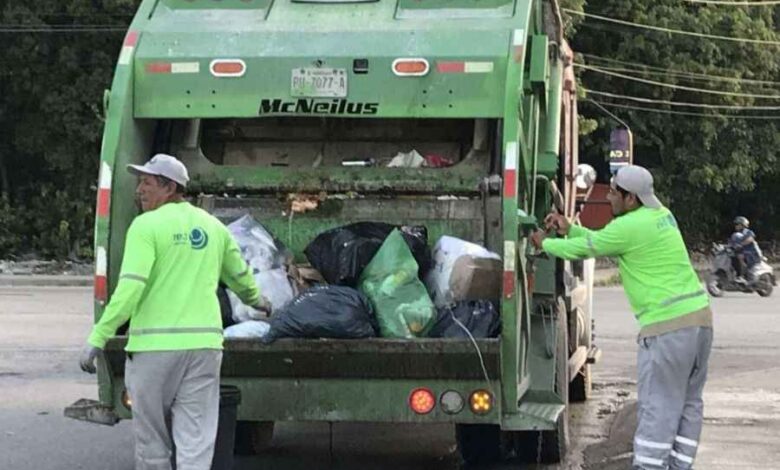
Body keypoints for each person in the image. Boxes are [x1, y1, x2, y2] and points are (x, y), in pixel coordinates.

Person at [78, 153, 270, 470]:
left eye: (147, 183)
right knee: (195, 443)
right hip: (204, 350)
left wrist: (99, 336)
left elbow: (131, 288)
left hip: (154, 351)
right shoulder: (214, 227)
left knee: (152, 442)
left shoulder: (146, 226)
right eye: (140, 182)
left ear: (169, 188)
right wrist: (260, 301)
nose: (139, 190)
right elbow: (239, 277)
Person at [530, 165, 713, 470]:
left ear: (631, 199)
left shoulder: (628, 226)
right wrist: (569, 228)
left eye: (615, 192)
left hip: (667, 328)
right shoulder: (662, 216)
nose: (609, 196)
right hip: (700, 323)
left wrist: (544, 242)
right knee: (689, 404)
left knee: (658, 407)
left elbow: (587, 248)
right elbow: (603, 240)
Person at [729, 216, 761, 283]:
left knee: (740, 257)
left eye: (737, 224)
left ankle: (741, 276)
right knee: (731, 257)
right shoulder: (735, 235)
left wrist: (741, 244)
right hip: (743, 253)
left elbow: (750, 239)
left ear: (742, 225)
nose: (735, 226)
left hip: (752, 253)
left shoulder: (748, 232)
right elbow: (731, 244)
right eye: (735, 224)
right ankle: (734, 275)